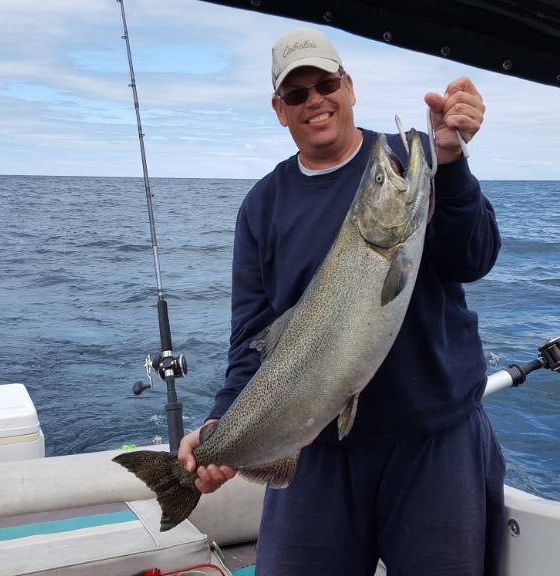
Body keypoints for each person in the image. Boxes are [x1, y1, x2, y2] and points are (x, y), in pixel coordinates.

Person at [178, 27, 504, 576]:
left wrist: (451, 161)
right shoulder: (262, 206)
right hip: (315, 449)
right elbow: (253, 340)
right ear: (280, 110)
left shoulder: (408, 162)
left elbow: (473, 258)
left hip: (434, 440)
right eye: (296, 93)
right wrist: (221, 424)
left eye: (325, 84)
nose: (315, 101)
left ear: (349, 86)